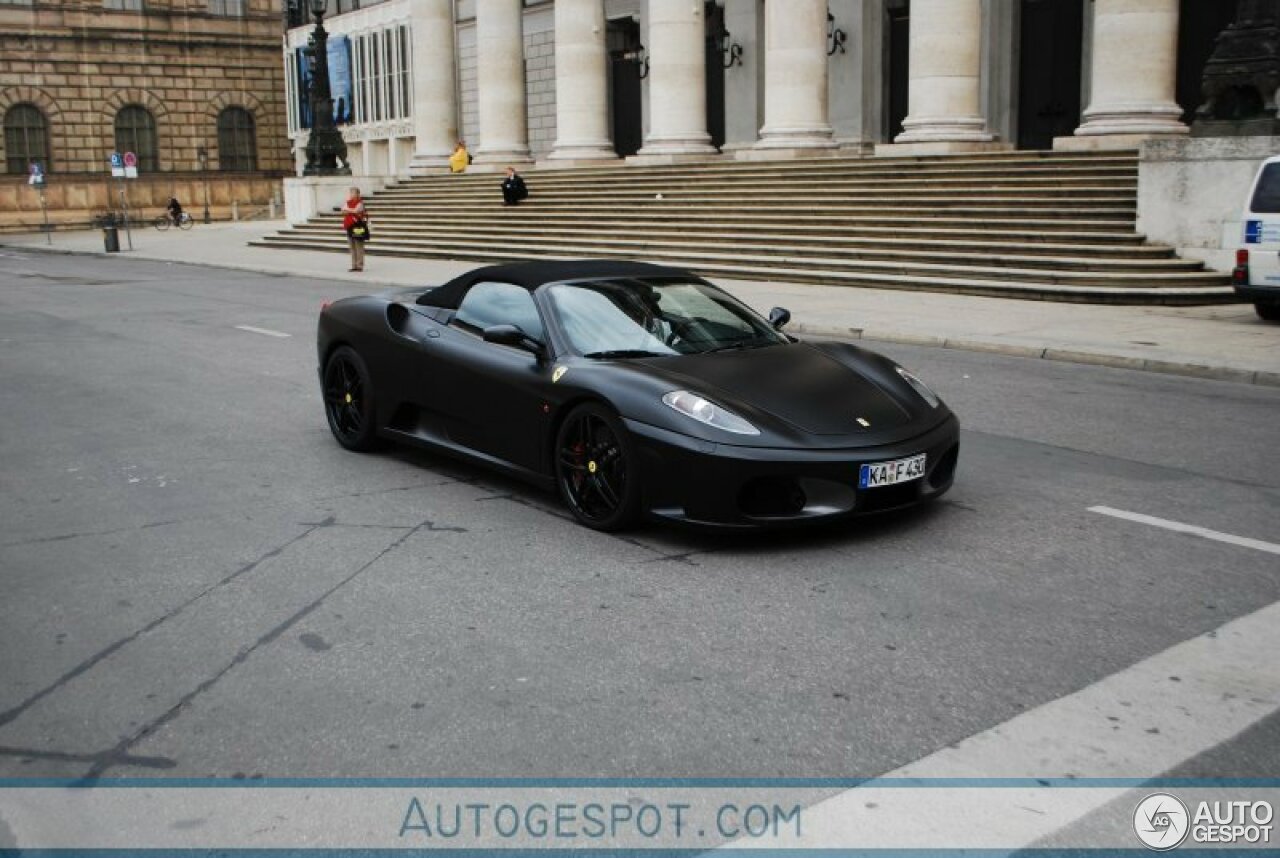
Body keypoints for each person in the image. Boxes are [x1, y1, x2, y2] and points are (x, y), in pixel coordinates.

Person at [340, 187, 369, 272]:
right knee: (352, 247)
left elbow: (357, 211)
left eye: (353, 193)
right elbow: (342, 211)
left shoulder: (360, 203)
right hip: (349, 227)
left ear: (358, 194)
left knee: (359, 246)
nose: (351, 195)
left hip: (358, 226)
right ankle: (354, 265)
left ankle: (359, 265)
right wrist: (351, 210)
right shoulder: (348, 202)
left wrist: (348, 210)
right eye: (351, 193)